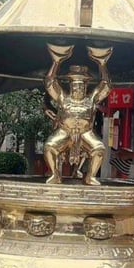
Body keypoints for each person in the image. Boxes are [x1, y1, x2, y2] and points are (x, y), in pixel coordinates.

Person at [43, 43, 112, 185]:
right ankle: (55, 174)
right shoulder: (63, 98)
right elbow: (50, 83)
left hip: (86, 133)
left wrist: (102, 64)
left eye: (81, 86)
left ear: (86, 87)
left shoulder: (91, 99)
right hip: (65, 132)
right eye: (75, 85)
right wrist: (56, 62)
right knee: (49, 146)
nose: (78, 88)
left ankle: (90, 176)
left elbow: (106, 85)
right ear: (70, 86)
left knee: (99, 148)